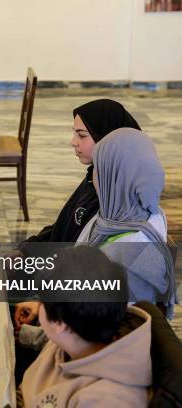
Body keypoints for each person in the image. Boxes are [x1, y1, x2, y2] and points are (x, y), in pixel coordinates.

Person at [18, 246, 152, 407]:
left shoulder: (107, 400)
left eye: (42, 303)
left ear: (60, 323)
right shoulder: (78, 335)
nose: (38, 306)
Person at [76, 127, 176, 317]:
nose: (94, 179)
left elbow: (98, 327)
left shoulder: (125, 256)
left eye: (99, 169)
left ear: (116, 180)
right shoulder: (147, 214)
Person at [23, 99, 141, 245]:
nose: (73, 142)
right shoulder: (95, 174)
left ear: (107, 137)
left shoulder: (115, 199)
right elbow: (65, 225)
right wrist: (27, 249)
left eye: (82, 135)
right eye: (75, 133)